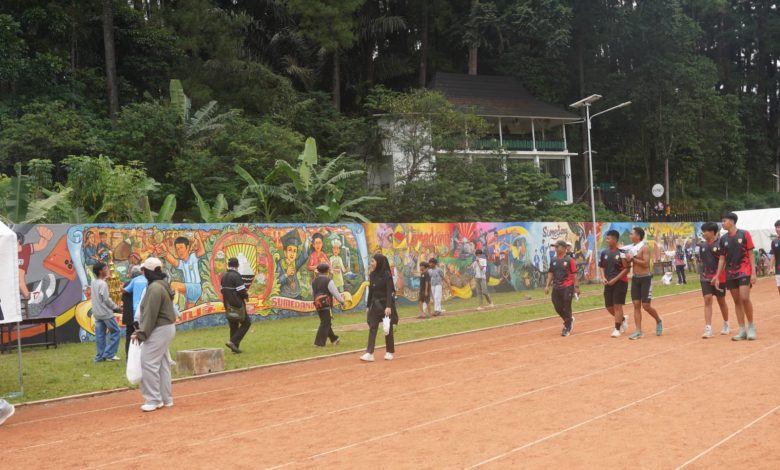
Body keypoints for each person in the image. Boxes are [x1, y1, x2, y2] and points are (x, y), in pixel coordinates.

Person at [132, 257, 177, 412]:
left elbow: (150, 314)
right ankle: (166, 398)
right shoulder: (161, 284)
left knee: (148, 362)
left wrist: (141, 333)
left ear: (148, 271)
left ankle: (153, 399)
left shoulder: (155, 288)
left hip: (160, 328)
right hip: (166, 328)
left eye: (144, 270)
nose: (142, 272)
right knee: (163, 364)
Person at [713, 212, 757, 341]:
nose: (722, 223)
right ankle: (742, 329)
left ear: (732, 221)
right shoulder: (723, 239)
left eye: (724, 221)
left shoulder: (744, 234)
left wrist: (753, 272)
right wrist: (717, 275)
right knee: (737, 301)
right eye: (722, 221)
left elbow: (751, 253)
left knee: (744, 298)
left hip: (744, 270)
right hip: (730, 273)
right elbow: (722, 258)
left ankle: (751, 326)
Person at [624, 227, 663, 340]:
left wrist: (633, 259)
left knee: (646, 306)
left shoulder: (644, 248)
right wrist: (626, 259)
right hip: (635, 278)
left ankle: (658, 320)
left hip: (646, 278)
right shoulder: (631, 248)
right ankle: (638, 331)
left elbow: (646, 263)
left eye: (632, 234)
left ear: (638, 236)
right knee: (636, 305)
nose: (630, 236)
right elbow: (628, 263)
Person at [360, 254, 398, 362]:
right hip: (374, 305)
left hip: (385, 305)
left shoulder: (387, 275)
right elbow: (371, 291)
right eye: (371, 261)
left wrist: (388, 306)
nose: (371, 263)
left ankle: (389, 352)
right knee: (372, 326)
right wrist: (368, 305)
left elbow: (389, 291)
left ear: (379, 262)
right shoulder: (372, 275)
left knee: (387, 329)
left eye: (373, 261)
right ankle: (369, 353)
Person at [698, 222, 730, 338]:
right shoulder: (702, 246)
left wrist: (718, 275)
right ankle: (708, 328)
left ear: (712, 232)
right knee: (707, 299)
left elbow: (724, 261)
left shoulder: (721, 244)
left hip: (720, 277)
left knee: (721, 301)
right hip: (705, 277)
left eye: (705, 231)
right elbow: (702, 261)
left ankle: (726, 323)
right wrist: (701, 274)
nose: (703, 233)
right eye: (703, 231)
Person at [545, 240, 579, 337]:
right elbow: (550, 273)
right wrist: (547, 285)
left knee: (566, 305)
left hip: (568, 286)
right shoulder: (553, 260)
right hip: (556, 286)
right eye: (554, 247)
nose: (555, 249)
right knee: (557, 306)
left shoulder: (570, 260)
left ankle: (567, 327)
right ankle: (569, 320)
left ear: (564, 248)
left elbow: (574, 275)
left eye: (557, 247)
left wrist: (576, 287)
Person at [599, 230, 630, 338]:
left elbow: (627, 269)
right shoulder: (604, 252)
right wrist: (603, 278)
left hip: (620, 282)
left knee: (617, 305)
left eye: (609, 238)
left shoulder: (622, 251)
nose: (607, 240)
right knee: (609, 307)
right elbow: (601, 267)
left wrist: (615, 279)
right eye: (606, 238)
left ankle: (617, 329)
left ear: (615, 239)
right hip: (608, 282)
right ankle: (623, 319)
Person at [162, 233, 205, 308]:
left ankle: (174, 307)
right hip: (190, 291)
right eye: (177, 249)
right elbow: (173, 261)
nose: (180, 251)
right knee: (189, 310)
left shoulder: (193, 257)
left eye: (181, 247)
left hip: (195, 287)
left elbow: (202, 252)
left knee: (173, 285)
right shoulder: (182, 263)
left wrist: (198, 238)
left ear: (187, 247)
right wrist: (165, 252)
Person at [91, 262, 122, 362]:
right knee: (116, 331)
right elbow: (106, 299)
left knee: (100, 335)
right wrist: (115, 307)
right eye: (105, 268)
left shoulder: (93, 282)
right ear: (100, 271)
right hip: (105, 313)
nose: (107, 270)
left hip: (97, 313)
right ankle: (109, 354)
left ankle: (99, 357)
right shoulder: (103, 284)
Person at [221, 257, 251, 353]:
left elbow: (222, 290)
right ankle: (232, 342)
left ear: (228, 265)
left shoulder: (224, 276)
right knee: (246, 323)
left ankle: (234, 348)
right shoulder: (236, 276)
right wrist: (246, 296)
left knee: (233, 325)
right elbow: (241, 291)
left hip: (227, 305)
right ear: (237, 265)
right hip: (237, 305)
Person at [311, 263, 344, 347]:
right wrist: (342, 301)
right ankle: (319, 343)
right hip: (326, 305)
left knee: (326, 322)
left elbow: (313, 293)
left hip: (318, 305)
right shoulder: (328, 281)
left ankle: (334, 339)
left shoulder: (314, 281)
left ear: (318, 271)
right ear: (327, 271)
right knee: (325, 323)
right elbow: (335, 292)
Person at [121, 266, 144, 356]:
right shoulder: (145, 282)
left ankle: (129, 355)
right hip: (140, 313)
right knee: (142, 334)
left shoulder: (127, 284)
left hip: (129, 314)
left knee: (129, 335)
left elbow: (123, 297)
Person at [771, 220, 780, 296]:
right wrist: (770, 268)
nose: (777, 229)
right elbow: (773, 255)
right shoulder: (774, 241)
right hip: (778, 269)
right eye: (776, 227)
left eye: (779, 227)